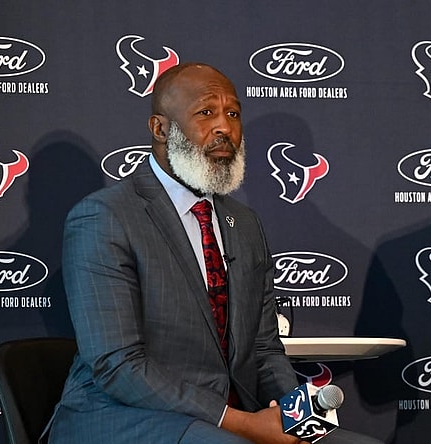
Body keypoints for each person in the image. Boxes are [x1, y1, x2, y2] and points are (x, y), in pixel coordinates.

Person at [47, 62, 381, 444]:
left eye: (233, 114)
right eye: (206, 112)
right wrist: (238, 422)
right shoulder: (105, 216)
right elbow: (117, 363)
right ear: (160, 128)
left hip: (231, 417)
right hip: (123, 419)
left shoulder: (245, 223)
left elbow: (264, 347)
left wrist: (294, 418)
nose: (225, 128)